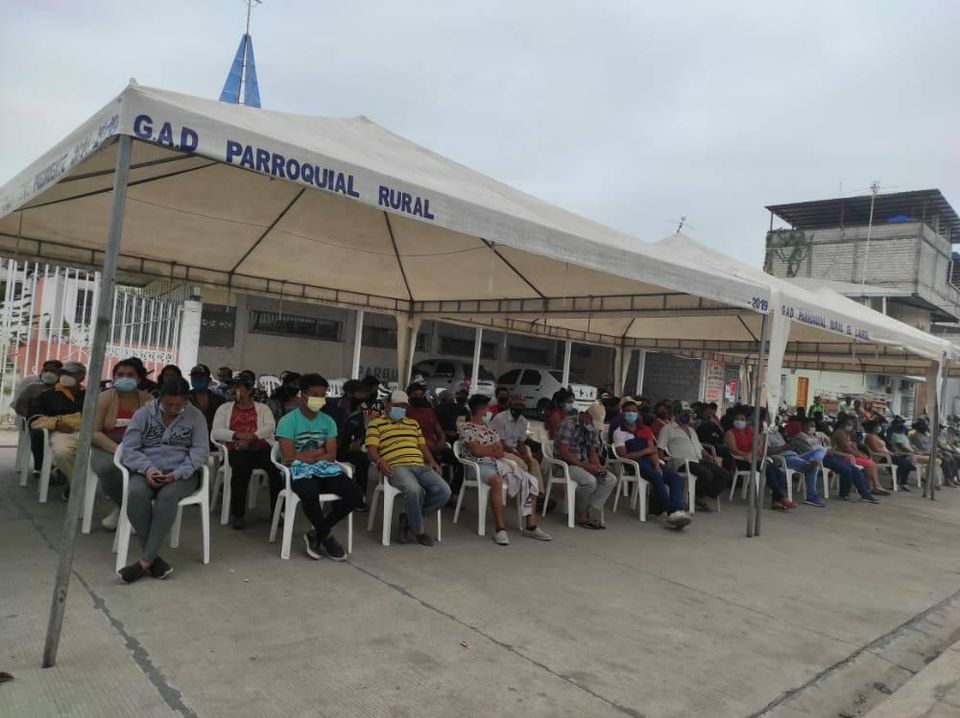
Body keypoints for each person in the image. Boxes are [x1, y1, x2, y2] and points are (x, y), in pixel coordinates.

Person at [117, 377, 210, 583]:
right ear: (160, 398)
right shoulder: (143, 415)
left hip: (182, 474)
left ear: (186, 400)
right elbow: (130, 449)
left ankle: (145, 561)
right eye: (169, 404)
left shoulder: (196, 417)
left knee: (167, 497)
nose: (173, 409)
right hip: (146, 471)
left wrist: (176, 474)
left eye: (179, 405)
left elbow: (200, 453)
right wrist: (148, 470)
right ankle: (154, 560)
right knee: (136, 493)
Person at [275, 373, 362, 561]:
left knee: (355, 494)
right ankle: (328, 538)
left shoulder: (328, 421)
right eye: (315, 395)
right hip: (297, 471)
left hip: (324, 469)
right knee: (309, 493)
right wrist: (320, 452)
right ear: (303, 396)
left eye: (323, 395)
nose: (320, 399)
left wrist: (310, 456)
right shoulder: (288, 421)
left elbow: (332, 455)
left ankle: (317, 532)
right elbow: (289, 457)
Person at [458, 394, 551, 545]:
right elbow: (476, 451)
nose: (488, 410)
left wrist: (487, 450)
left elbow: (500, 451)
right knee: (497, 481)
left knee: (530, 480)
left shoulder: (489, 428)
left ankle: (531, 526)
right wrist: (491, 450)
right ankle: (500, 529)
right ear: (481, 409)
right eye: (486, 408)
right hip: (477, 466)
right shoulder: (465, 427)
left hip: (497, 463)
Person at [366, 390, 450, 545]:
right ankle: (418, 531)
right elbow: (371, 450)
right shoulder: (376, 424)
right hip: (396, 466)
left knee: (444, 491)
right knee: (415, 490)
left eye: (404, 406)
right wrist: (380, 461)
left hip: (419, 464)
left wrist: (431, 461)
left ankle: (409, 519)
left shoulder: (413, 423)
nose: (401, 409)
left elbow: (422, 446)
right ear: (388, 405)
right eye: (397, 405)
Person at [211, 377, 282, 529]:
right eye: (234, 388)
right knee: (240, 469)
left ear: (249, 390)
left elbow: (270, 426)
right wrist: (238, 436)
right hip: (236, 447)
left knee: (276, 470)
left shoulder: (262, 408)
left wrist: (252, 437)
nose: (236, 392)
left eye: (240, 388)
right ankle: (238, 514)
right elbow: (216, 431)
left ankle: (277, 513)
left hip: (260, 447)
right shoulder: (224, 409)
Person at [91, 360, 153, 530]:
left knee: (146, 469)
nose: (125, 378)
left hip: (138, 446)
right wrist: (119, 450)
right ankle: (125, 509)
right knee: (107, 468)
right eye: (120, 374)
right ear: (114, 377)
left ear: (139, 379)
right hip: (106, 445)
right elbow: (94, 432)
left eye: (130, 375)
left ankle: (132, 510)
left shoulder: (149, 401)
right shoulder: (103, 399)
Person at [612, 401, 692, 527]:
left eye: (634, 411)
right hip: (634, 464)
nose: (631, 414)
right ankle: (671, 511)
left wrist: (656, 464)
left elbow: (653, 450)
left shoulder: (645, 429)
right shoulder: (619, 432)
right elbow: (624, 455)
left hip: (650, 460)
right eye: (628, 411)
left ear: (638, 413)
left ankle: (677, 509)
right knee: (656, 477)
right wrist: (645, 451)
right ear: (622, 413)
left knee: (674, 477)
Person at [31, 361, 87, 500]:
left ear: (81, 377)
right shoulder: (47, 395)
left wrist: (73, 420)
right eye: (63, 373)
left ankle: (72, 481)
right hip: (62, 433)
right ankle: (76, 484)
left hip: (87, 432)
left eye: (70, 373)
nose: (65, 376)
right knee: (62, 452)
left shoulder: (90, 395)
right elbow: (35, 418)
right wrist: (56, 424)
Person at [657, 404, 729, 511]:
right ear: (677, 414)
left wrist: (709, 456)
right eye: (685, 413)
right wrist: (661, 464)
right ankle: (698, 496)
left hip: (697, 460)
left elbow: (700, 447)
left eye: (689, 414)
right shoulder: (668, 429)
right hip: (682, 462)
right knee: (706, 474)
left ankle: (699, 494)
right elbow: (660, 448)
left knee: (723, 474)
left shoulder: (691, 430)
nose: (687, 416)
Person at [555, 407, 617, 528]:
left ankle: (586, 508)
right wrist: (586, 466)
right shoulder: (568, 425)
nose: (593, 427)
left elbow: (593, 454)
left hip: (584, 464)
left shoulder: (592, 430)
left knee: (610, 479)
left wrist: (599, 467)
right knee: (589, 481)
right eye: (593, 423)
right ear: (585, 416)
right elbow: (564, 453)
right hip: (566, 465)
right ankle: (582, 514)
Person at [723, 411, 795, 511]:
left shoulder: (749, 430)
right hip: (742, 460)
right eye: (737, 419)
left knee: (777, 471)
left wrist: (753, 452)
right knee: (767, 469)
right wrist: (747, 455)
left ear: (746, 421)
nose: (740, 421)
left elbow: (759, 442)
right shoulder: (730, 433)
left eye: (742, 419)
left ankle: (776, 501)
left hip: (755, 458)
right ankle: (781, 498)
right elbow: (734, 450)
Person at [326, 379, 372, 512]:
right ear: (349, 393)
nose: (364, 396)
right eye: (360, 393)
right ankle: (335, 497)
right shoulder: (331, 404)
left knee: (363, 459)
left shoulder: (361, 409)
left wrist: (359, 440)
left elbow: (361, 430)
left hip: (343, 448)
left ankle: (359, 497)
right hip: (325, 447)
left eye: (365, 394)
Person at [15, 359, 63, 471]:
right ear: (42, 372)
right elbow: (20, 406)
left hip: (58, 422)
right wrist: (33, 416)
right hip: (35, 422)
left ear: (59, 374)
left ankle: (60, 467)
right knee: (39, 435)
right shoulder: (32, 388)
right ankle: (40, 467)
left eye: (53, 371)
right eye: (46, 370)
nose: (48, 373)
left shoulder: (63, 390)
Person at [767, 418, 827, 507]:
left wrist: (788, 446)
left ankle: (814, 460)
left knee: (821, 450)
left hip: (794, 454)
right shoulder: (765, 436)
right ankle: (811, 496)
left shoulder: (777, 433)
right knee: (813, 467)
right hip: (783, 458)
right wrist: (783, 447)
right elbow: (767, 452)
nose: (775, 422)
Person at [491, 393, 543, 492]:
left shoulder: (523, 421)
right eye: (517, 405)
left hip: (513, 449)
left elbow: (521, 443)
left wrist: (524, 454)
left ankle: (538, 492)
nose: (519, 407)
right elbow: (501, 443)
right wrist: (518, 455)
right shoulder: (500, 418)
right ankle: (526, 493)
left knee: (533, 463)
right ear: (510, 404)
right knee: (522, 464)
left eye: (521, 405)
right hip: (500, 450)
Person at [831, 418, 889, 495]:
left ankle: (872, 486)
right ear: (842, 424)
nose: (851, 426)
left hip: (850, 455)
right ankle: (875, 486)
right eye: (849, 424)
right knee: (870, 464)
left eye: (851, 424)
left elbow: (852, 446)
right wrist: (858, 455)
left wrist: (859, 453)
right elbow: (846, 448)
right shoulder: (840, 433)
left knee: (871, 463)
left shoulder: (846, 433)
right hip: (843, 456)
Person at [862, 419, 913, 492]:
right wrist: (889, 453)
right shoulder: (870, 436)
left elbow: (883, 447)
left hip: (887, 454)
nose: (879, 427)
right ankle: (896, 483)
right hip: (880, 457)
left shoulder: (876, 435)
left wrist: (890, 452)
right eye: (877, 426)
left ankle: (903, 482)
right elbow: (875, 449)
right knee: (903, 463)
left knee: (907, 463)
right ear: (873, 427)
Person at [188, 364, 225, 441]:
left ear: (209, 380)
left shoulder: (218, 400)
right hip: (190, 440)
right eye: (194, 378)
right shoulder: (185, 398)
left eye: (200, 378)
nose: (196, 380)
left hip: (212, 440)